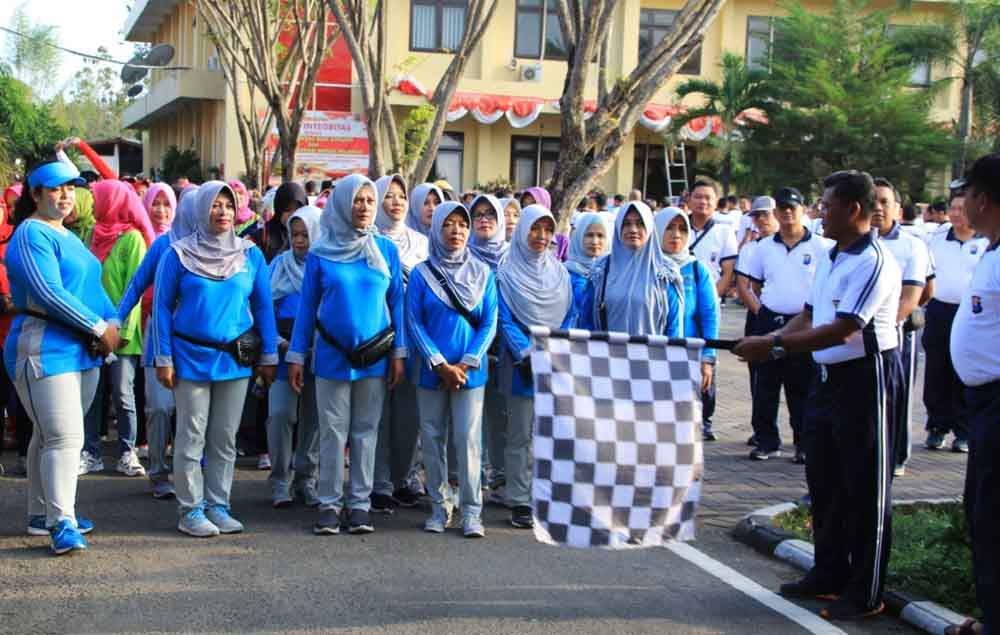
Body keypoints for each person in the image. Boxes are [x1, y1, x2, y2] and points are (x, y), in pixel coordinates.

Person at [734, 170, 901, 621]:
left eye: (826, 205)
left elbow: (844, 328)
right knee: (824, 479)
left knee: (864, 487)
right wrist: (772, 342)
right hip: (827, 379)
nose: (818, 212)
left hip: (866, 379)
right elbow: (809, 315)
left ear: (853, 209)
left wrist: (774, 345)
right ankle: (828, 571)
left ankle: (865, 591)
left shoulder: (874, 262)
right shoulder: (832, 255)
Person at [5, 161, 122, 554]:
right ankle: (61, 522)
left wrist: (112, 321)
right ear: (35, 194)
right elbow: (49, 292)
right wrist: (99, 327)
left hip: (80, 349)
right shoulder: (30, 233)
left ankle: (42, 514)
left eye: (71, 188)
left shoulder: (69, 236)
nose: (66, 195)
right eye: (56, 188)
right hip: (43, 347)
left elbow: (94, 288)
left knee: (49, 435)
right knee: (64, 436)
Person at [153, 181, 279, 537]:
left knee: (224, 437)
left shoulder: (250, 255)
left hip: (235, 360)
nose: (222, 211)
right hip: (189, 356)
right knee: (191, 435)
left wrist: (270, 354)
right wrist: (163, 357)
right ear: (200, 208)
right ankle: (190, 509)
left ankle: (218, 504)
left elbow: (263, 307)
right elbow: (161, 307)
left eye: (228, 205)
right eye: (215, 204)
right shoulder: (177, 254)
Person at [286, 174, 406, 536]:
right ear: (341, 204)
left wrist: (399, 353)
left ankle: (359, 505)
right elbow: (307, 308)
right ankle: (329, 504)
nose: (364, 207)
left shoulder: (385, 250)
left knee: (366, 431)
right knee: (332, 432)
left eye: (370, 200)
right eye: (357, 200)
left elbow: (397, 303)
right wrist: (296, 355)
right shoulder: (321, 253)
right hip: (331, 355)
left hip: (375, 356)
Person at [406, 201, 497, 537]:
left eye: (462, 224)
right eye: (448, 224)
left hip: (471, 373)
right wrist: (440, 364)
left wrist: (465, 363)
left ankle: (472, 511)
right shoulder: (421, 274)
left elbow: (489, 322)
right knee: (431, 439)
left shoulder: (483, 273)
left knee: (468, 440)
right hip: (431, 371)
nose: (456, 230)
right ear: (436, 229)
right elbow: (414, 322)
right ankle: (439, 506)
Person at [737, 188, 833, 462]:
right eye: (782, 208)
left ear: (803, 210)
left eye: (793, 207)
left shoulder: (822, 247)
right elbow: (756, 285)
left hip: (805, 322)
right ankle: (766, 441)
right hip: (770, 319)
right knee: (765, 385)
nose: (788, 212)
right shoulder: (763, 247)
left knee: (802, 387)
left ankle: (803, 443)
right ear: (776, 213)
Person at [495, 204, 575, 529]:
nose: (541, 236)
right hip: (521, 366)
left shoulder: (561, 274)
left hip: (554, 362)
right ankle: (519, 499)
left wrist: (554, 349)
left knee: (551, 434)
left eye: (547, 229)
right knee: (519, 435)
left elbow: (570, 314)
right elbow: (504, 319)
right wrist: (528, 353)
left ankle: (546, 495)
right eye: (534, 228)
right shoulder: (505, 273)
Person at [116, 185, 199, 500]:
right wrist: (116, 320)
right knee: (161, 409)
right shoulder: (164, 244)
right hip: (160, 336)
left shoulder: (215, 246)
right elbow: (137, 284)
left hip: (198, 342)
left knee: (193, 413)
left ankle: (190, 473)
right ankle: (159, 473)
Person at [948, 153, 1000, 635]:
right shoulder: (991, 249)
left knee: (992, 516)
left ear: (983, 198)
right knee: (983, 513)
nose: (960, 202)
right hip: (983, 404)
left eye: (965, 193)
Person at [86, 180, 157, 478]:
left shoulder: (133, 239)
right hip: (93, 327)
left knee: (122, 393)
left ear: (112, 201)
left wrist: (122, 331)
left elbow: (134, 289)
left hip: (122, 332)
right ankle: (90, 453)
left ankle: (127, 452)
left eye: (97, 199)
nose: (93, 204)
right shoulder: (93, 234)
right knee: (92, 394)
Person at [371, 174, 428, 511]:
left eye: (401, 196)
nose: (396, 202)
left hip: (416, 335)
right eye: (389, 196)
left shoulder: (422, 243)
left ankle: (403, 478)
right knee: (377, 412)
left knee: (409, 413)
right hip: (378, 336)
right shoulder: (367, 240)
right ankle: (378, 482)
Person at [872, 177, 934, 477]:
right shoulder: (854, 241)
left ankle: (896, 454)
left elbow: (917, 295)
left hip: (893, 333)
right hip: (854, 336)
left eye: (884, 202)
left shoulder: (912, 245)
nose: (878, 208)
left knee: (897, 396)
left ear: (897, 208)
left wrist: (885, 324)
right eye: (872, 201)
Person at [923, 189, 988, 452]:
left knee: (963, 371)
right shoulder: (936, 238)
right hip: (939, 310)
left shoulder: (986, 241)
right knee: (936, 370)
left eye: (962, 208)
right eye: (953, 208)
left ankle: (964, 432)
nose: (957, 214)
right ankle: (937, 426)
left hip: (971, 314)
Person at [266, 205, 322, 508]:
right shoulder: (278, 266)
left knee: (314, 418)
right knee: (280, 414)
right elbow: (261, 309)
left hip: (318, 353)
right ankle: (279, 480)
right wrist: (279, 343)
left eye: (306, 235)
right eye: (295, 234)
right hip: (283, 353)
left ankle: (306, 478)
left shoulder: (325, 264)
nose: (299, 241)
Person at [656, 207, 720, 448]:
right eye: (669, 228)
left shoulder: (696, 270)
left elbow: (710, 316)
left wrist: (708, 358)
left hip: (689, 356)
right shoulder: (646, 266)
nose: (676, 235)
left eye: (682, 229)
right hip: (653, 356)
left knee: (685, 428)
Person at [579, 201, 683, 338]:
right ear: (618, 227)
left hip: (655, 351)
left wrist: (672, 350)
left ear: (649, 227)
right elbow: (587, 320)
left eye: (640, 223)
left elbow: (674, 326)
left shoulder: (666, 272)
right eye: (627, 224)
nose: (633, 229)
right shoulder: (601, 268)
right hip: (608, 350)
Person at [466, 194, 509, 498]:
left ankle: (501, 476)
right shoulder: (461, 255)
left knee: (500, 415)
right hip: (469, 349)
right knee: (471, 419)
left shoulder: (512, 257)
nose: (484, 220)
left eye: (490, 215)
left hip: (505, 347)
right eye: (478, 215)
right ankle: (473, 475)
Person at [688, 181, 738, 302]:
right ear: (689, 200)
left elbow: (728, 273)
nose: (703, 201)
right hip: (677, 301)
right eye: (698, 197)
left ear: (716, 202)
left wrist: (709, 300)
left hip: (710, 302)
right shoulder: (676, 228)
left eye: (708, 198)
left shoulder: (725, 232)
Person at [564, 212, 610, 316]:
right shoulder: (564, 274)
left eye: (600, 235)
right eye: (589, 235)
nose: (595, 241)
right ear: (579, 236)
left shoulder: (611, 273)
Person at [520, 187, 569, 261]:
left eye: (533, 204)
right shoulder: (517, 242)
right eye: (524, 206)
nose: (528, 209)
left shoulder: (562, 242)